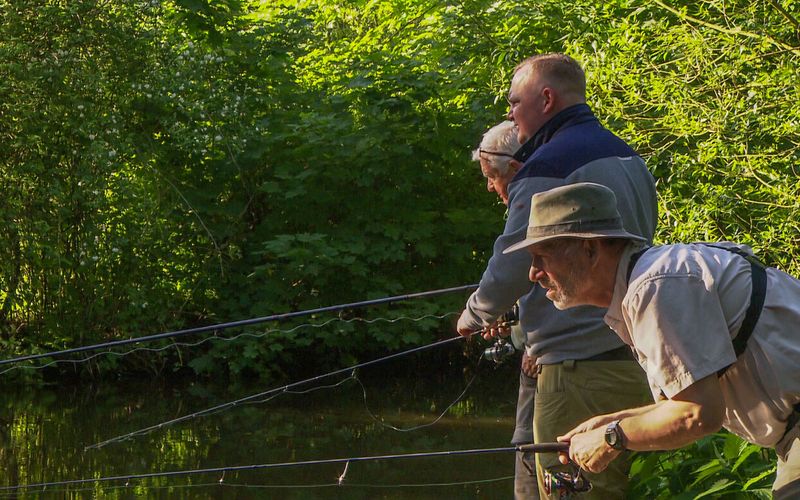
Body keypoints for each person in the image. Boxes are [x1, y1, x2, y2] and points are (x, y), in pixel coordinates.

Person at [503, 181, 800, 499]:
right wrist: (612, 422)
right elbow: (684, 405)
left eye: (542, 257)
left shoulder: (654, 288)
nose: (534, 273)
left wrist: (611, 438)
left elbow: (697, 415)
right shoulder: (652, 279)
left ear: (590, 250)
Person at [457, 53, 657, 498]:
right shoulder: (630, 157)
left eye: (514, 103)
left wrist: (473, 314)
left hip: (575, 371)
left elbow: (513, 265)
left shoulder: (544, 168)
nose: (510, 113)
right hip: (637, 356)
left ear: (546, 98)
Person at [472, 121, 538, 498]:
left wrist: (474, 315)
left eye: (491, 176)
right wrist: (515, 324)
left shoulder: (534, 198)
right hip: (553, 353)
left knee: (531, 457)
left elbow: (513, 269)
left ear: (513, 170)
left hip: (554, 363)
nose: (489, 186)